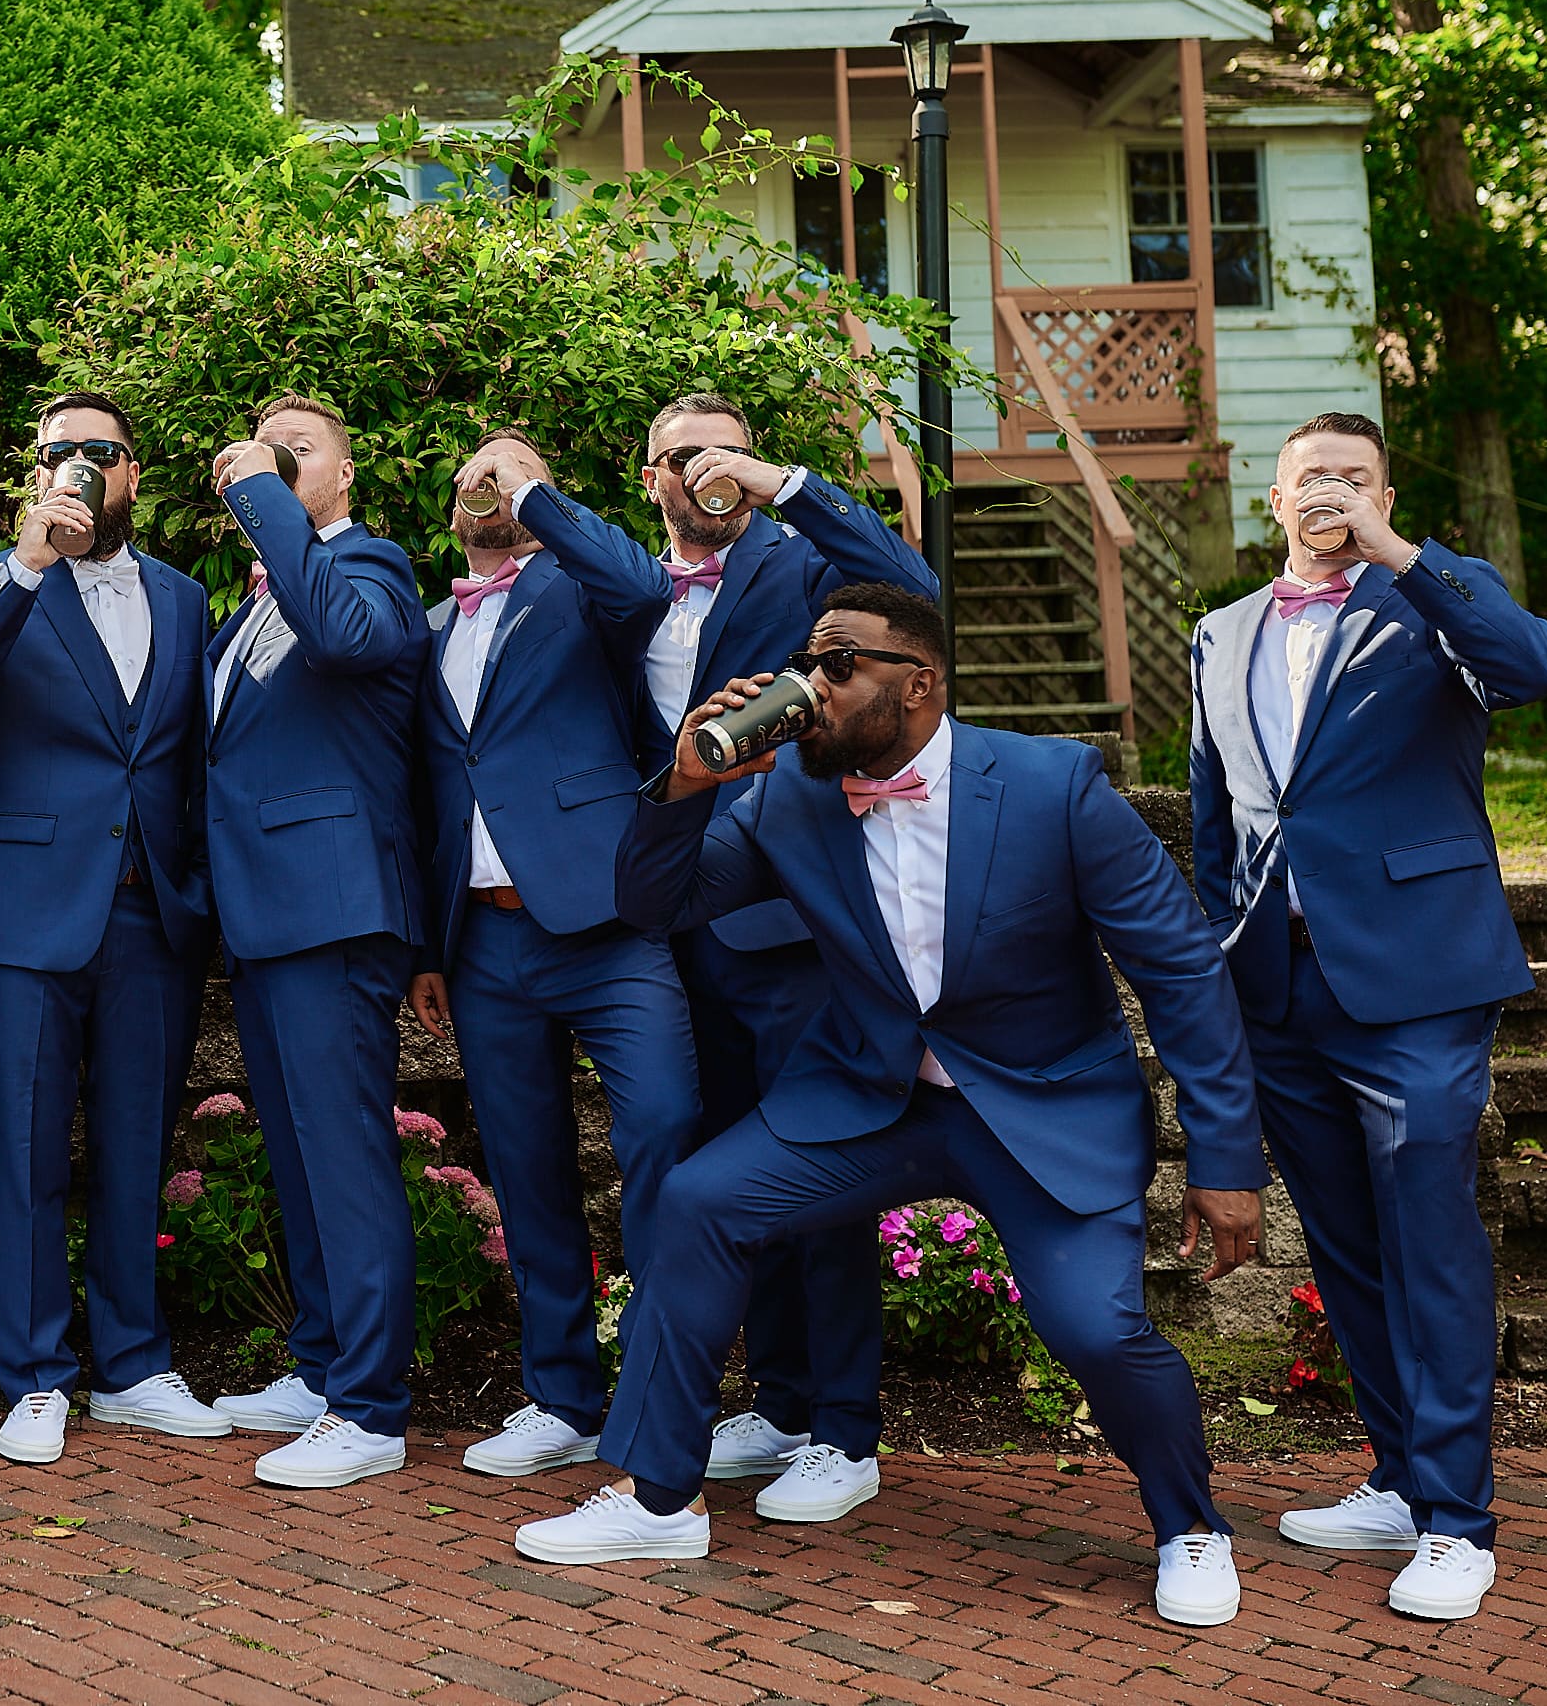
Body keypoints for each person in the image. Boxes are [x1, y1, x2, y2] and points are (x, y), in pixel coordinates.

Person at [520, 583, 1269, 1634]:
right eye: (805, 660)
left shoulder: (1054, 786)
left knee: (1094, 1326)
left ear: (917, 683)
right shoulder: (788, 800)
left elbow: (1181, 967)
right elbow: (655, 905)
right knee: (698, 1200)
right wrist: (686, 784)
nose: (808, 684)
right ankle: (657, 1497)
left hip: (1043, 1106)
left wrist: (1227, 1159)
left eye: (837, 664)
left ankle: (1191, 1526)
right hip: (873, 1098)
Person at [1190, 412, 1547, 1622]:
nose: (1332, 493)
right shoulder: (1221, 631)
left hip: (1418, 983)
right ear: (1275, 496)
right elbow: (1223, 824)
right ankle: (1404, 1477)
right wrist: (1216, 967)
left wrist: (1404, 554)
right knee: (1348, 1248)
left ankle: (1460, 1520)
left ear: (1387, 493)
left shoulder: (1437, 604)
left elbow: (1536, 667)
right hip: (1280, 984)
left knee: (1428, 1239)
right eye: (1312, 477)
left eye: (1355, 478)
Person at [599, 393, 940, 1510]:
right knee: (731, 1180)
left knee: (821, 1171)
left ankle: (844, 1430)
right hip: (673, 918)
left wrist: (782, 484)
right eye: (679, 457)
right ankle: (784, 1400)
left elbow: (914, 594)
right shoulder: (623, 585)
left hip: (787, 920)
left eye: (719, 453)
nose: (698, 469)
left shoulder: (795, 567)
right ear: (648, 477)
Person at [0, 391, 229, 1462]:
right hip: (18, 915)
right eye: (62, 453)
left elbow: (185, 760)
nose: (86, 467)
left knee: (137, 1151)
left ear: (137, 472)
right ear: (35, 476)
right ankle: (35, 1374)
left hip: (150, 920)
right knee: (28, 1152)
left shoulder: (185, 600)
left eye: (106, 451)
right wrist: (29, 563)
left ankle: (134, 1365)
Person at [402, 429, 695, 1480]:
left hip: (607, 924)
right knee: (526, 1173)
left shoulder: (583, 591)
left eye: (505, 469)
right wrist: (431, 946)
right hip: (483, 941)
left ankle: (668, 1390)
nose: (483, 486)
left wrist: (532, 494)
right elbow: (429, 796)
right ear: (447, 512)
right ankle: (561, 1394)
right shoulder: (431, 624)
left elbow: (637, 579)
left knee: (662, 1138)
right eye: (470, 477)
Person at [200, 394, 431, 1487]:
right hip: (264, 918)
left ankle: (373, 1409)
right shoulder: (255, 598)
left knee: (343, 1160)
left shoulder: (373, 568)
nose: (275, 455)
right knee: (298, 1159)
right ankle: (326, 1362)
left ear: (344, 476)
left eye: (299, 447)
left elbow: (343, 637)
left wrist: (257, 491)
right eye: (259, 445)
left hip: (336, 911)